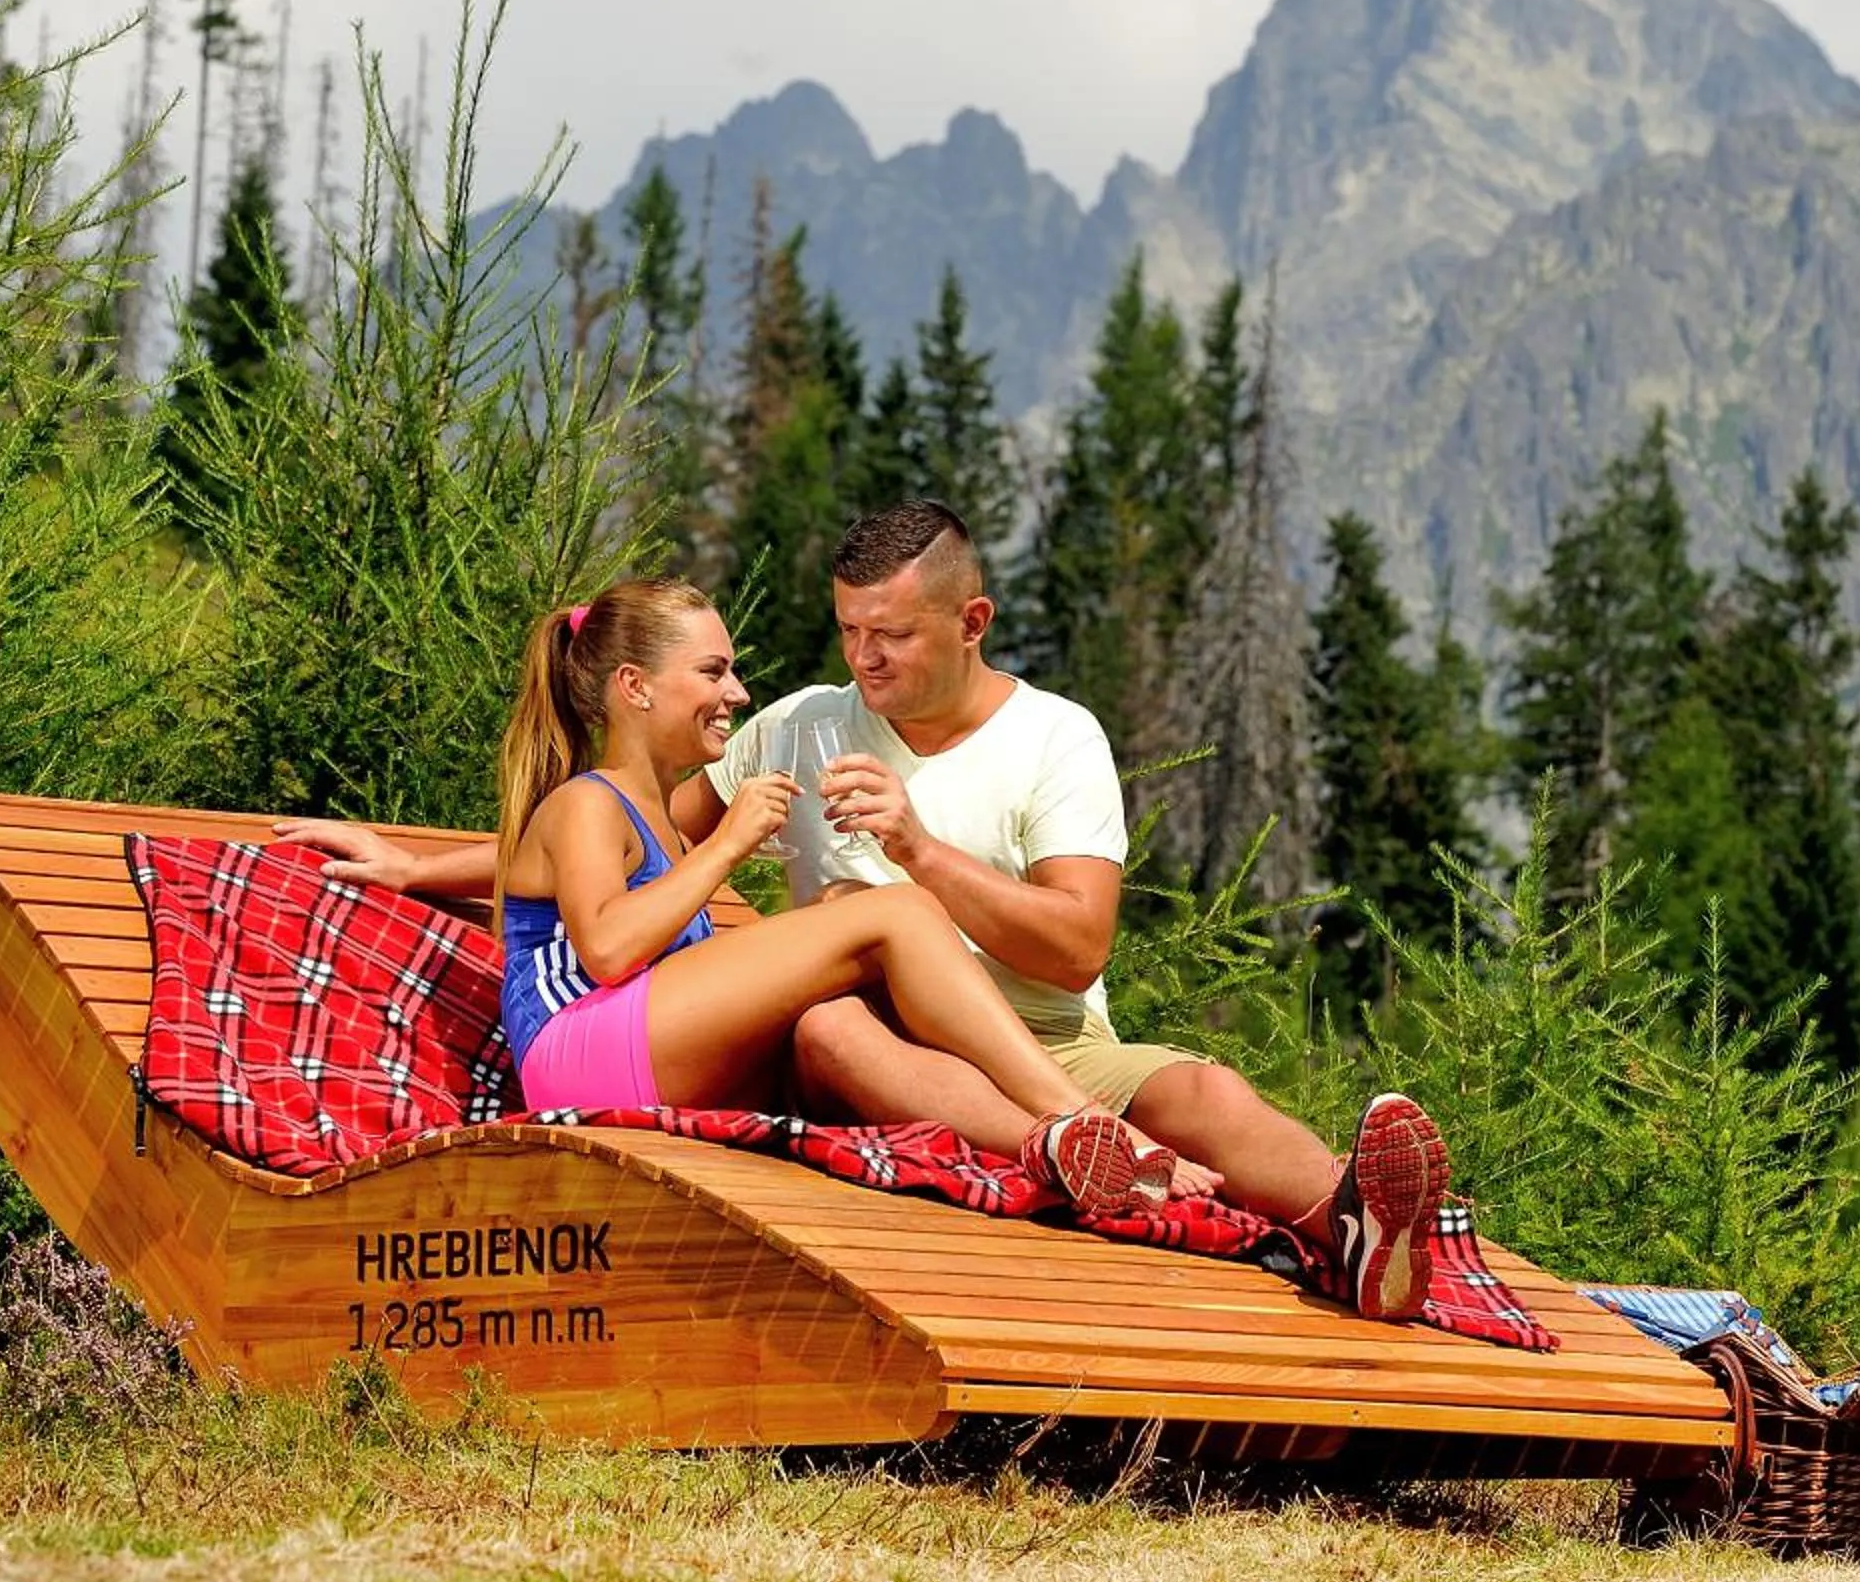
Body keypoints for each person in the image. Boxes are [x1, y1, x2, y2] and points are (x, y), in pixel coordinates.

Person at [289, 508, 1455, 1322]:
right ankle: (1083, 1149)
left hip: (1040, 1033)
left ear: (971, 621)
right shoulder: (796, 726)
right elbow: (598, 849)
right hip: (864, 1041)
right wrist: (411, 861)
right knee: (840, 1000)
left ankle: (1353, 1230)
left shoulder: (1058, 738)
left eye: (888, 634)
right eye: (848, 628)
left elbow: (1079, 943)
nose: (860, 656)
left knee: (1202, 1089)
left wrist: (918, 847)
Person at [469, 573, 1178, 1217]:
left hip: (634, 1050)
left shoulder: (651, 812)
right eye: (713, 672)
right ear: (635, 686)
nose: (737, 694)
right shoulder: (588, 804)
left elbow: (522, 874)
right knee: (896, 910)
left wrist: (411, 868)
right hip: (580, 1057)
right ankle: (1080, 1116)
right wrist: (727, 844)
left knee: (842, 967)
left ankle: (1049, 1147)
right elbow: (609, 949)